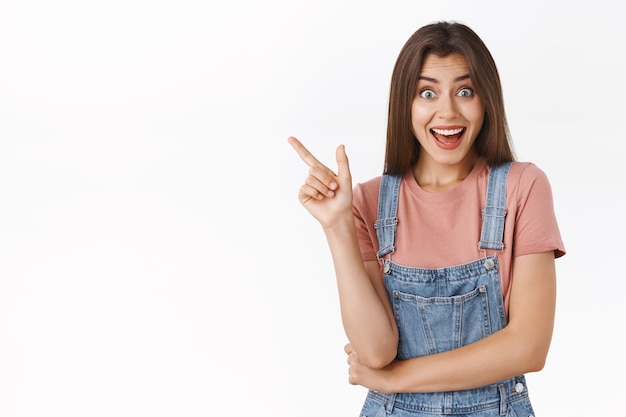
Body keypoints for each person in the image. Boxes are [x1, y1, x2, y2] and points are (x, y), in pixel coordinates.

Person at [288, 20, 565, 416]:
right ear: (406, 103)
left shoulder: (523, 187)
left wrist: (396, 379)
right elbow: (376, 351)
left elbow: (528, 347)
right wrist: (336, 226)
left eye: (465, 91)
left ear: (487, 100)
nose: (447, 111)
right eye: (427, 92)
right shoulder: (367, 201)